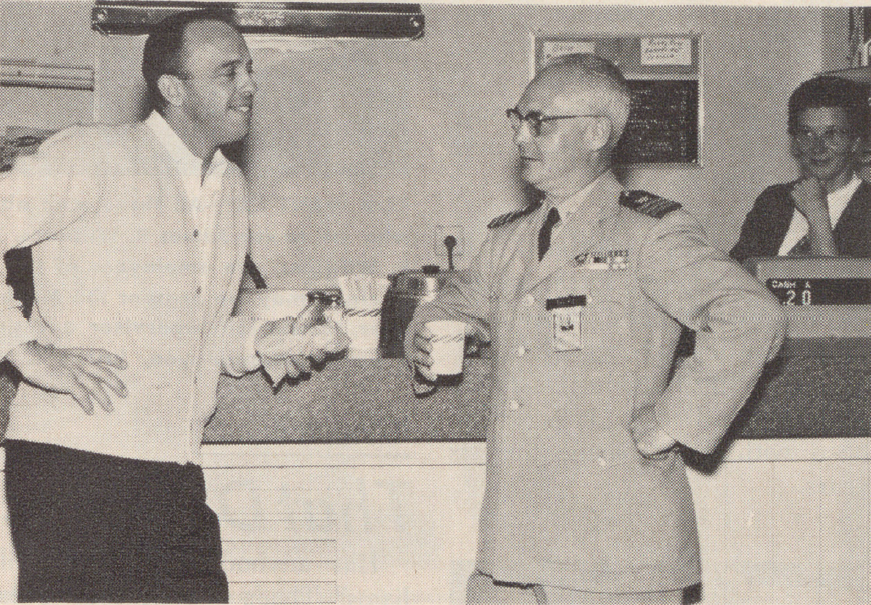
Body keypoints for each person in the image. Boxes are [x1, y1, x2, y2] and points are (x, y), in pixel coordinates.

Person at [405, 54, 785, 604]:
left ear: (597, 133)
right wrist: (425, 333)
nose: (520, 136)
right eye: (517, 119)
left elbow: (752, 315)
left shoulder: (648, 233)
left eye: (539, 121)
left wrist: (672, 420)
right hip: (512, 549)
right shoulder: (509, 239)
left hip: (613, 548)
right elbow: (454, 305)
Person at [0, 9, 345, 602]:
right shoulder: (90, 155)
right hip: (77, 467)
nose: (249, 87)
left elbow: (196, 331)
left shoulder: (228, 186)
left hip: (174, 471)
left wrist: (265, 340)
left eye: (250, 70)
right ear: (173, 90)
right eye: (228, 72)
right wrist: (23, 350)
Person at [731, 75, 871, 263]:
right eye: (807, 133)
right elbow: (738, 276)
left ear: (855, 142)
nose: (818, 147)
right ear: (796, 141)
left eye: (832, 134)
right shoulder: (774, 200)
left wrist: (817, 215)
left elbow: (840, 289)